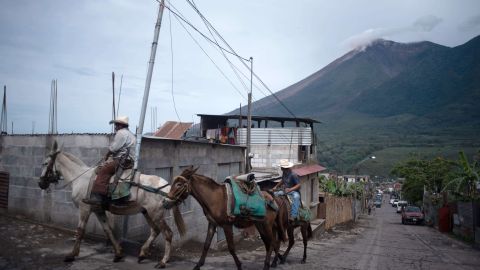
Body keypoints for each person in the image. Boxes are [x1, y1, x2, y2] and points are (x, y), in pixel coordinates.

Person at [83, 116, 136, 206]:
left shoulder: (121, 133)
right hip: (129, 161)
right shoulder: (131, 134)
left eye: (116, 124)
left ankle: (99, 197)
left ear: (121, 125)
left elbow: (114, 148)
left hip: (121, 160)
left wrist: (107, 154)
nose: (115, 127)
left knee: (104, 170)